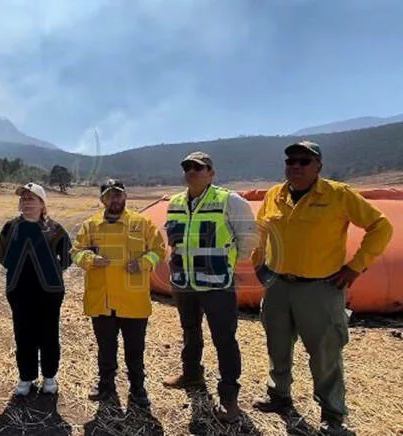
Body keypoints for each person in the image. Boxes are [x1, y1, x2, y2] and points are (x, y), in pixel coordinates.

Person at [251, 141, 393, 435]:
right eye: (291, 161)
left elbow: (381, 226)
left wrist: (356, 266)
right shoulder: (274, 195)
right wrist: (258, 266)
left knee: (325, 353)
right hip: (278, 286)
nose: (296, 166)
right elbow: (259, 232)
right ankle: (279, 396)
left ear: (319, 166)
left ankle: (332, 415)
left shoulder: (337, 195)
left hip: (319, 289)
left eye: (304, 161)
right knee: (277, 346)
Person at [161, 152, 257, 422]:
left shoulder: (230, 201)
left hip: (217, 285)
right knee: (190, 331)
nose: (191, 171)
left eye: (198, 167)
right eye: (187, 167)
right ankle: (191, 374)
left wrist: (230, 264)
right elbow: (174, 239)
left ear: (211, 172)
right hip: (184, 283)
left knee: (224, 339)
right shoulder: (176, 202)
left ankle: (229, 397)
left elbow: (248, 237)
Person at [71, 179, 166, 407]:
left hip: (133, 301)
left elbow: (158, 250)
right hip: (103, 300)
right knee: (105, 347)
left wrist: (142, 263)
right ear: (102, 199)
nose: (114, 199)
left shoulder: (142, 223)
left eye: (118, 194)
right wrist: (91, 259)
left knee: (135, 349)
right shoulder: (90, 225)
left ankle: (137, 387)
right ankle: (106, 385)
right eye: (109, 195)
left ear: (125, 196)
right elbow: (76, 252)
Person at [0, 182, 72, 396]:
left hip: (50, 292)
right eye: (23, 198)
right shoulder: (10, 227)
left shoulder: (55, 229)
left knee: (49, 332)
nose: (26, 202)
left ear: (42, 203)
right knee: (23, 333)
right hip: (19, 291)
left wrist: (51, 272)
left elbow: (67, 256)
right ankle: (26, 377)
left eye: (31, 198)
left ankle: (50, 376)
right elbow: (2, 256)